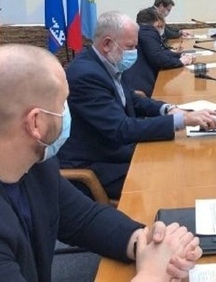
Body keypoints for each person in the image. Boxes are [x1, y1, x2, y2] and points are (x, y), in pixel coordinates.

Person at [0, 44, 202, 282]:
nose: (67, 111)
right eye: (63, 103)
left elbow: (84, 219)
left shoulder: (37, 166)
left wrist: (144, 242)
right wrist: (152, 274)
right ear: (36, 123)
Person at [58, 12, 216, 199]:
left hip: (115, 151)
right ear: (107, 44)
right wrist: (182, 120)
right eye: (130, 47)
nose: (134, 52)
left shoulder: (108, 62)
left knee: (180, 158)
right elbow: (121, 128)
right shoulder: (86, 75)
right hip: (95, 164)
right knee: (173, 176)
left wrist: (168, 109)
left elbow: (132, 99)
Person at [125, 8, 194, 97]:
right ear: (157, 22)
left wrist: (179, 55)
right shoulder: (147, 31)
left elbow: (159, 52)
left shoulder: (141, 31)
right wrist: (180, 62)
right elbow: (157, 57)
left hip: (135, 82)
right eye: (160, 26)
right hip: (141, 86)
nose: (161, 29)